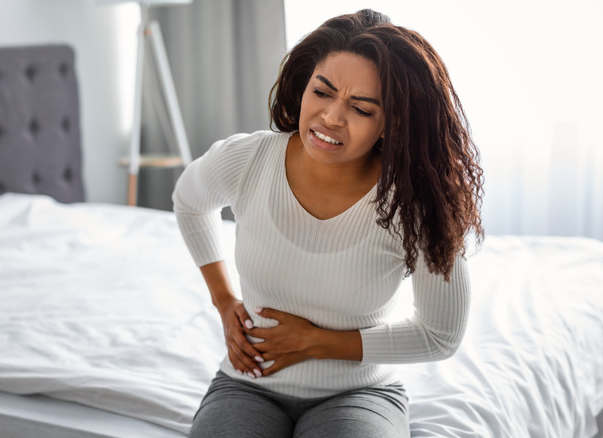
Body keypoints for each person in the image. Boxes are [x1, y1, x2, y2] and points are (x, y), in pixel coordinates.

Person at [172, 8, 484, 437]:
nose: (332, 117)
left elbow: (441, 335)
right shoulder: (248, 160)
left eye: (360, 107)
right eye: (323, 92)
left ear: (392, 122)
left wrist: (316, 343)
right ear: (304, 86)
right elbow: (189, 202)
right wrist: (224, 301)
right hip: (248, 384)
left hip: (359, 394)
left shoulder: (414, 205)